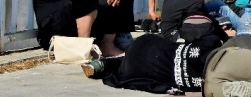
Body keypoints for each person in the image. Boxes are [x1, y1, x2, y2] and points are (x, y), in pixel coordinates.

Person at [82, 33, 223, 94]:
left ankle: (103, 64)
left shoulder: (208, 45)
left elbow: (212, 37)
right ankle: (104, 65)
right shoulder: (205, 83)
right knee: (127, 64)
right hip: (136, 71)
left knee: (138, 56)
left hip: (145, 45)